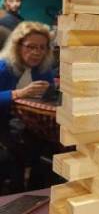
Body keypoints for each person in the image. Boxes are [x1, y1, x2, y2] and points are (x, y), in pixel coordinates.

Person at [0, 21, 54, 192]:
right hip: (4, 126)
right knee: (14, 154)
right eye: (30, 47)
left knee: (51, 152)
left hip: (29, 127)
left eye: (42, 47)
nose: (36, 52)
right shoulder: (3, 67)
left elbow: (50, 95)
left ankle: (37, 196)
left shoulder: (44, 70)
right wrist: (17, 94)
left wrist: (51, 92)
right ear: (17, 46)